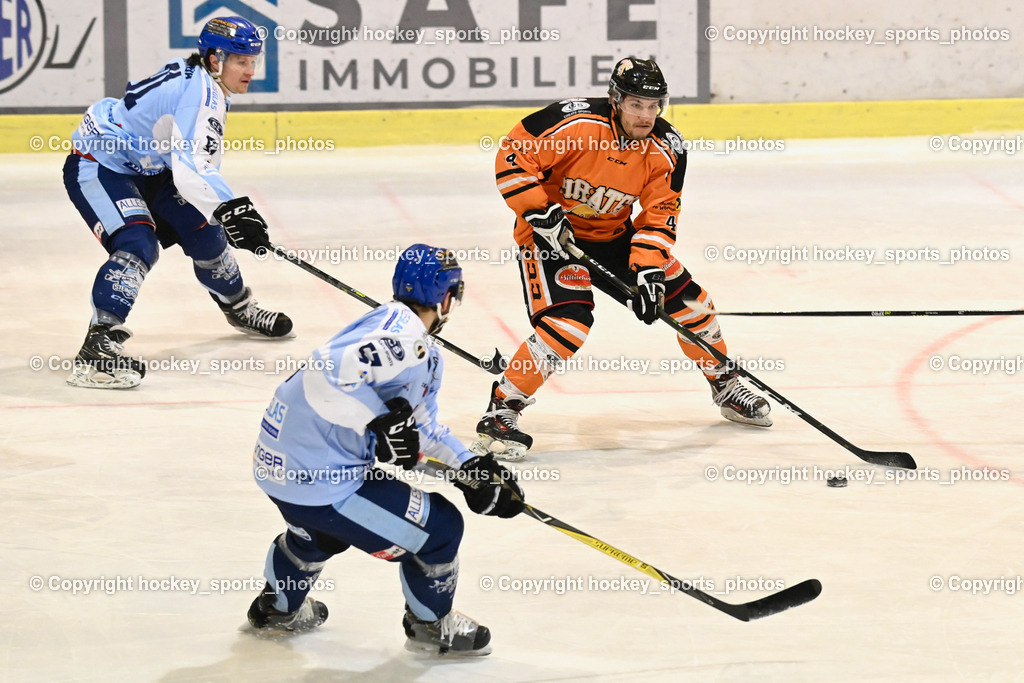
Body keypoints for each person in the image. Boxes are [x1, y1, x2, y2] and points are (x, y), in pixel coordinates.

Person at [472, 57, 771, 462]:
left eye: (654, 106)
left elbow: (659, 214)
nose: (646, 115)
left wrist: (648, 270)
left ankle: (724, 383)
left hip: (612, 236)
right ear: (616, 100)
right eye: (636, 105)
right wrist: (537, 208)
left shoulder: (668, 148)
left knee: (695, 306)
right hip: (550, 238)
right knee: (568, 324)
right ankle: (502, 410)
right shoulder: (576, 122)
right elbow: (515, 152)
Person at [246, 244, 525, 656]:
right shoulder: (405, 338)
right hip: (321, 479)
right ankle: (431, 628)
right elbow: (324, 373)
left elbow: (421, 433)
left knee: (318, 535)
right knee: (440, 529)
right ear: (447, 296)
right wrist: (378, 419)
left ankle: (278, 607)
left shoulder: (393, 327)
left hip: (278, 463)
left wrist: (470, 469)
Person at [62, 16, 291, 389]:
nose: (250, 70)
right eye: (240, 61)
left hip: (151, 167)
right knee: (137, 243)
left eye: (253, 60)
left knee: (206, 232)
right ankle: (98, 346)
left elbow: (189, 165)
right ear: (216, 60)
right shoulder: (204, 95)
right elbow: (191, 170)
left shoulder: (202, 80)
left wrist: (225, 213)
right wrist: (234, 209)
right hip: (100, 165)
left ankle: (238, 308)